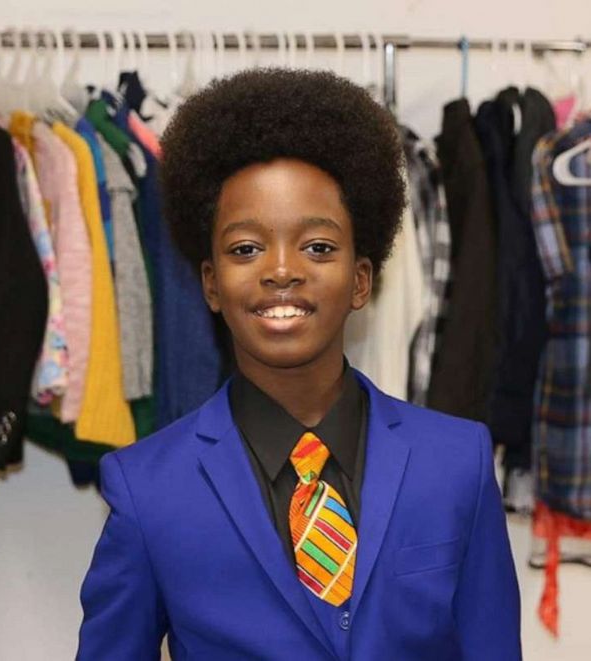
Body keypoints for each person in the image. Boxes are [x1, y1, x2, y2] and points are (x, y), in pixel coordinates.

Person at [76, 67, 521, 660]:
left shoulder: (456, 462)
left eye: (317, 247)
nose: (281, 270)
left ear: (362, 279)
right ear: (210, 283)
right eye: (245, 248)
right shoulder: (147, 489)